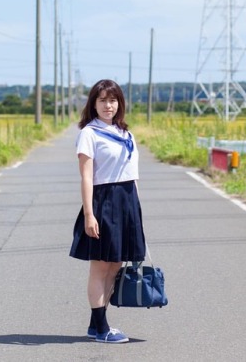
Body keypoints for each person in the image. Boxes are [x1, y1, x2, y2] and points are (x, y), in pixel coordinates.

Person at [69, 79, 146, 344]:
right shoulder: (89, 133)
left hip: (127, 202)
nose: (108, 105)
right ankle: (102, 328)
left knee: (115, 265)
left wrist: (136, 209)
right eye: (102, 100)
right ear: (93, 104)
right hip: (104, 202)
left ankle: (95, 324)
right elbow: (86, 177)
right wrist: (90, 214)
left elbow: (132, 174)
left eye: (112, 100)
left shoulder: (126, 133)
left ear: (119, 104)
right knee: (100, 267)